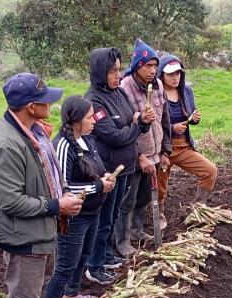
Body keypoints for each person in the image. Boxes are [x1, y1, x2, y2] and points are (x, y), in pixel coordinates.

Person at [0, 73, 83, 298]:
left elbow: (49, 172)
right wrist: (55, 205)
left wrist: (63, 194)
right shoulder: (7, 145)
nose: (51, 104)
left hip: (40, 226)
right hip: (21, 234)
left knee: (39, 280)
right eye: (45, 100)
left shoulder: (34, 131)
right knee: (22, 296)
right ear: (30, 107)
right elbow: (9, 202)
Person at [40, 96, 115, 298]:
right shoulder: (63, 145)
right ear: (75, 120)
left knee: (84, 255)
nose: (94, 121)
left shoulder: (87, 139)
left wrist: (104, 177)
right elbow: (62, 187)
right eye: (89, 117)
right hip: (74, 216)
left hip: (92, 211)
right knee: (65, 265)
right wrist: (98, 187)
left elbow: (94, 170)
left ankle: (71, 294)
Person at [85, 47, 155, 281]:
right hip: (107, 170)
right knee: (103, 219)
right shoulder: (93, 100)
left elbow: (132, 119)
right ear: (100, 72)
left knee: (113, 215)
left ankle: (106, 255)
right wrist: (137, 126)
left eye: (118, 70)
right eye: (112, 71)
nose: (118, 75)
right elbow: (113, 136)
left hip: (124, 166)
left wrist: (142, 120)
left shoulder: (118, 93)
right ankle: (94, 266)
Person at [117, 38, 172, 255]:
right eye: (148, 66)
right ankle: (121, 241)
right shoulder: (125, 88)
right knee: (127, 200)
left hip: (155, 153)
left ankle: (137, 231)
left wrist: (165, 150)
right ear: (137, 66)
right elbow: (124, 126)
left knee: (143, 197)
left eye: (155, 65)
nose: (152, 70)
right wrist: (140, 156)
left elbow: (165, 118)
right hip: (135, 155)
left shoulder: (157, 85)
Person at [156, 54, 218, 222]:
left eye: (178, 73)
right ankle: (159, 214)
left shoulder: (186, 91)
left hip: (183, 147)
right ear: (162, 75)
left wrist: (195, 118)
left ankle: (199, 209)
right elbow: (153, 123)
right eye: (170, 74)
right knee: (160, 186)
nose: (175, 77)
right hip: (164, 149)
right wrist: (172, 128)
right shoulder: (156, 94)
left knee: (210, 171)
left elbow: (192, 113)